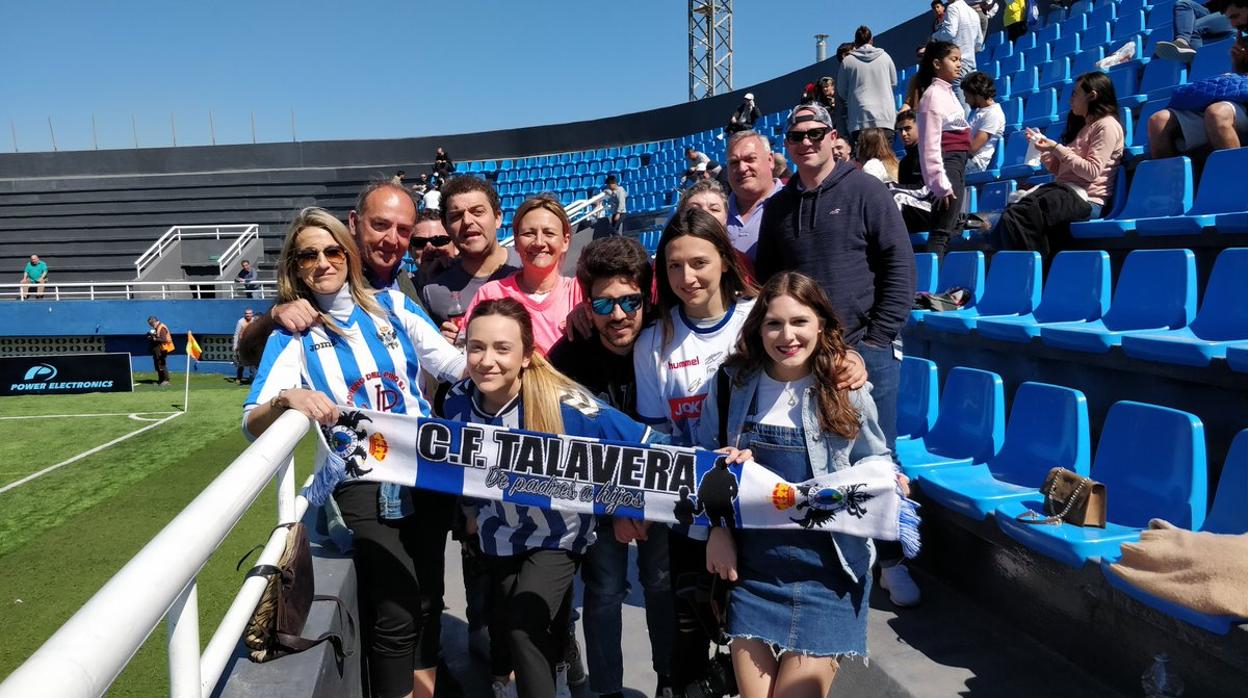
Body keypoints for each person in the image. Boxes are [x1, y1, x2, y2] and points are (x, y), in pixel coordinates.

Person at [244, 207, 465, 698]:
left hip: (427, 469)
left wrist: (508, 358)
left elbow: (451, 366)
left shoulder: (394, 305)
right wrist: (286, 399)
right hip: (362, 481)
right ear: (294, 267)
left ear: (348, 253)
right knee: (393, 607)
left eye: (332, 250)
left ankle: (426, 690)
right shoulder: (291, 336)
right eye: (308, 255)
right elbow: (250, 421)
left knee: (429, 595)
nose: (322, 262)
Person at [443, 297, 660, 698]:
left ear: (527, 355)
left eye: (502, 348)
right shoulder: (457, 400)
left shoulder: (565, 402)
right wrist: (471, 510)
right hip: (499, 534)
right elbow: (453, 463)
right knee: (523, 617)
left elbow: (645, 443)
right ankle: (562, 664)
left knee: (523, 623)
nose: (487, 360)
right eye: (476, 347)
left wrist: (715, 464)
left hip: (558, 535)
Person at [698, 272, 899, 698]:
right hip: (752, 570)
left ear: (821, 324)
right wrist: (717, 527)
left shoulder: (846, 388)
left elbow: (875, 458)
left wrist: (889, 478)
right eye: (774, 323)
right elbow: (704, 465)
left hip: (829, 574)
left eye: (800, 322)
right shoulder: (732, 383)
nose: (786, 335)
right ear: (758, 329)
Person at [756, 101, 920, 607]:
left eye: (815, 133)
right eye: (796, 136)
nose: (806, 142)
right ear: (787, 145)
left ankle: (891, 560)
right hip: (803, 355)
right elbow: (768, 281)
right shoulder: (779, 207)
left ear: (833, 137)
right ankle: (829, 560)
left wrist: (874, 342)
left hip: (864, 350)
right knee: (819, 461)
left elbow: (899, 268)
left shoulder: (867, 191)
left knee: (877, 460)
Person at [632, 207, 758, 694]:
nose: (688, 277)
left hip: (761, 503)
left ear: (725, 261)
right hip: (690, 508)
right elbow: (656, 432)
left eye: (700, 263)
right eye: (674, 266)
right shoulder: (653, 341)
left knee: (752, 633)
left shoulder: (757, 319)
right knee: (691, 630)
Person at [546, 236, 676, 698]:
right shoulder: (568, 355)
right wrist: (619, 505)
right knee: (603, 592)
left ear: (647, 297)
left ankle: (670, 682)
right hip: (600, 500)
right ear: (587, 302)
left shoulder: (668, 334)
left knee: (661, 585)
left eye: (629, 301)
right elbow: (565, 445)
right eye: (602, 302)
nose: (617, 314)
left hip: (665, 494)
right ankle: (607, 690)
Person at [990, 71, 1124, 257]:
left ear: (1092, 95)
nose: (1071, 99)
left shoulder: (1107, 125)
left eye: (1075, 93)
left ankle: (1035, 269)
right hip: (1065, 193)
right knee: (1009, 216)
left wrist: (1056, 148)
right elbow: (1059, 170)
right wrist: (1044, 149)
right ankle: (1021, 268)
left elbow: (1092, 171)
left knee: (1021, 215)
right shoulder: (1083, 127)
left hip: (1086, 200)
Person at [463, 195, 583, 355]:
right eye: (529, 233)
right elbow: (467, 351)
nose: (539, 242)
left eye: (549, 233)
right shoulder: (491, 294)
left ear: (565, 241)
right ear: (516, 241)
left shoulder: (579, 292)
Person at [422, 176, 522, 329]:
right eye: (456, 216)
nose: (467, 221)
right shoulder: (434, 293)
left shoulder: (528, 266)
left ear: (497, 218)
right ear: (445, 225)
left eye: (478, 212)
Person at [1149, 33, 1248, 158]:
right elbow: (1239, 71)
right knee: (1158, 120)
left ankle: (1236, 173)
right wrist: (1238, 58)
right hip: (1221, 97)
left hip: (1241, 104)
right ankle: (1170, 176)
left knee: (1216, 113)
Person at [916, 40, 972, 259]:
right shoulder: (932, 96)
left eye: (959, 59)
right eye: (954, 59)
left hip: (957, 166)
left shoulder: (948, 93)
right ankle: (929, 289)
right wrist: (940, 183)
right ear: (937, 63)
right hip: (947, 167)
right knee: (941, 232)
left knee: (948, 230)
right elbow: (929, 145)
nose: (959, 64)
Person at [837, 25, 899, 146]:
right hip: (884, 119)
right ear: (872, 39)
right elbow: (893, 83)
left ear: (855, 42)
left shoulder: (847, 62)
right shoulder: (886, 57)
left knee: (865, 162)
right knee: (885, 160)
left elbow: (841, 92)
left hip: (859, 120)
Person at [725, 130, 781, 262]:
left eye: (750, 159)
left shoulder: (795, 204)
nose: (742, 168)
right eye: (734, 162)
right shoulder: (716, 212)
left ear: (770, 160)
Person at [1156, 1, 1247, 62]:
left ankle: (1196, 59)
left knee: (1194, 27)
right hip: (1217, 10)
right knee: (1183, 4)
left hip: (1232, 10)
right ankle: (1184, 45)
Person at [933, 0, 984, 110]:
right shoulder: (973, 12)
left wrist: (935, 36)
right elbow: (979, 42)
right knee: (974, 105)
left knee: (962, 107)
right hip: (972, 65)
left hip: (958, 65)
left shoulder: (952, 8)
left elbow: (949, 33)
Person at [964, 71, 1006, 176]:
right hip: (964, 159)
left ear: (978, 95)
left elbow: (972, 148)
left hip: (974, 164)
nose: (965, 100)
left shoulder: (993, 114)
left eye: (967, 96)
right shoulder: (978, 111)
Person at [409, 210, 459, 290]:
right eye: (419, 242)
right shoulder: (402, 287)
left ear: (456, 246)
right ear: (410, 250)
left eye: (439, 240)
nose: (429, 248)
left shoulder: (472, 283)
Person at [147, 315, 173, 386]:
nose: (151, 326)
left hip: (161, 348)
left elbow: (164, 339)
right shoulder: (156, 327)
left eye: (151, 324)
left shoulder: (161, 327)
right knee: (157, 364)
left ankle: (166, 380)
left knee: (161, 363)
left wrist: (155, 339)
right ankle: (161, 380)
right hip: (157, 348)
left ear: (154, 322)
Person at [233, 308, 256, 384]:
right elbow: (236, 334)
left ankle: (253, 378)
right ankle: (239, 378)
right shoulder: (240, 322)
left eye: (249, 313)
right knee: (240, 362)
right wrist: (235, 346)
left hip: (252, 345)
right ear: (244, 314)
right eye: (246, 313)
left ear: (252, 314)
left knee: (253, 362)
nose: (248, 315)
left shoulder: (255, 321)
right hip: (242, 344)